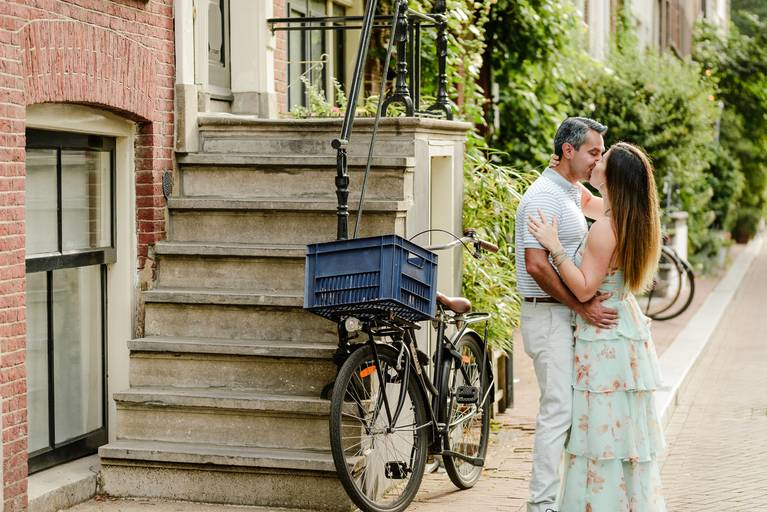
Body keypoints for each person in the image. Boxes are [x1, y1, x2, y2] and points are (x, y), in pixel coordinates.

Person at [528, 142, 666, 511]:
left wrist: (554, 247)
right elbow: (584, 199)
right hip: (624, 329)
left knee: (600, 432)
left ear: (613, 176)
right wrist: (564, 171)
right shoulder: (632, 215)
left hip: (602, 333)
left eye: (601, 159)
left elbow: (585, 286)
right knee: (622, 430)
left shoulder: (607, 228)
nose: (596, 161)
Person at [514, 117, 619, 512]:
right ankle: (541, 505)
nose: (597, 160)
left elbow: (614, 208)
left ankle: (559, 498)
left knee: (568, 410)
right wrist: (581, 306)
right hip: (548, 316)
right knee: (557, 410)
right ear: (568, 151)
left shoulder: (572, 192)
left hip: (563, 316)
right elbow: (537, 265)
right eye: (593, 152)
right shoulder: (544, 197)